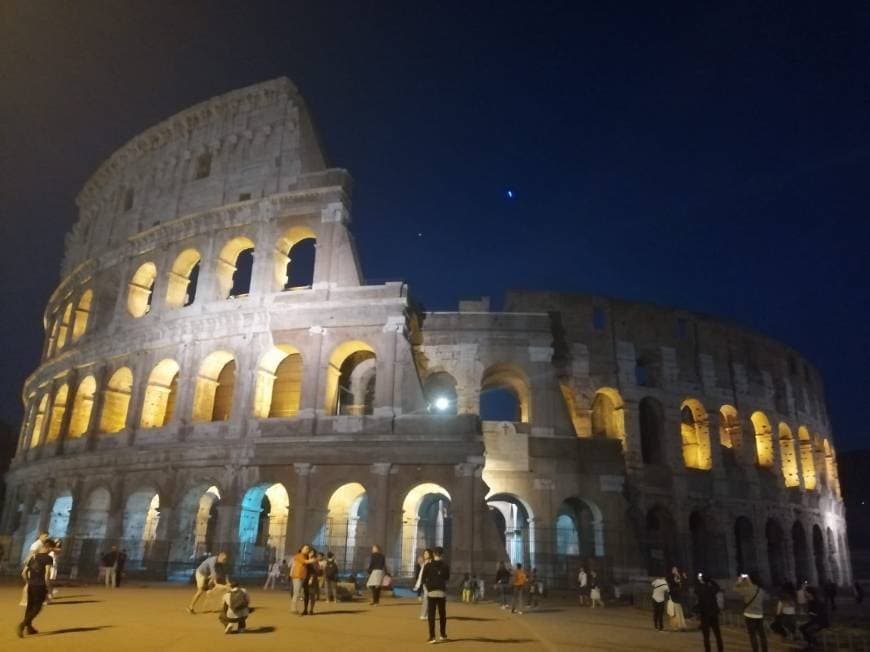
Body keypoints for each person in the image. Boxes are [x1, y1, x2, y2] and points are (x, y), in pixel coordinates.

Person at [17, 538, 55, 638]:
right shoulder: (48, 558)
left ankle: (29, 628)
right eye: (52, 548)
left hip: (31, 585)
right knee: (37, 607)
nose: (52, 550)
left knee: (30, 606)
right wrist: (49, 588)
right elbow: (46, 575)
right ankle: (23, 624)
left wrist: (28, 582)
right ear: (49, 547)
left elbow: (23, 573)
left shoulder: (33, 557)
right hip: (40, 585)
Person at [421, 546, 450, 643]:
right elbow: (446, 578)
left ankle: (432, 637)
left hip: (431, 592)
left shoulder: (428, 565)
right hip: (441, 592)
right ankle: (443, 634)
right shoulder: (445, 566)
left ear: (433, 554)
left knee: (431, 615)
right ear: (442, 555)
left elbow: (423, 579)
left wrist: (427, 588)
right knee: (442, 614)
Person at [735, 573, 768, 652]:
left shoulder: (747, 589)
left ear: (751, 580)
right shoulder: (761, 590)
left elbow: (735, 589)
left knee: (753, 636)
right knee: (762, 635)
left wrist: (739, 581)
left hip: (749, 615)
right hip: (759, 615)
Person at [694, 573, 723, 652]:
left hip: (704, 614)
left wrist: (700, 580)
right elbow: (718, 587)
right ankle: (720, 650)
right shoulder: (712, 588)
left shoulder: (700, 588)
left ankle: (708, 650)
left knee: (706, 636)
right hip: (713, 613)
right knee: (718, 634)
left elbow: (695, 590)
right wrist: (711, 580)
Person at [290, 544, 315, 614]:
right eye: (306, 548)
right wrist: (313, 559)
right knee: (296, 593)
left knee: (297, 593)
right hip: (297, 576)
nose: (307, 550)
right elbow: (305, 562)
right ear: (301, 549)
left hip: (301, 576)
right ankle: (293, 609)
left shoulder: (304, 556)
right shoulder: (299, 555)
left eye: (308, 549)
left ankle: (293, 608)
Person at [413, 549, 433, 620]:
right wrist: (418, 584)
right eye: (424, 553)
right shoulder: (424, 563)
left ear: (430, 554)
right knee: (426, 598)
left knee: (428, 599)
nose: (425, 555)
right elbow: (421, 575)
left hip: (431, 583)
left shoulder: (431, 562)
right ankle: (425, 614)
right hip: (425, 583)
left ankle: (425, 614)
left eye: (427, 553)